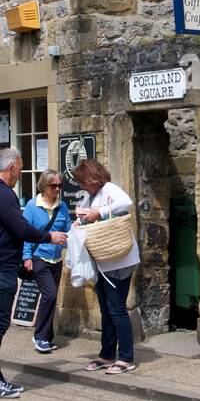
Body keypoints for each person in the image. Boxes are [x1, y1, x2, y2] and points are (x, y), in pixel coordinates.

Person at [0, 147, 67, 398]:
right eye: (20, 169)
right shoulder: (1, 194)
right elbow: (21, 228)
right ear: (11, 168)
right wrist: (49, 236)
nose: (20, 174)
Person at [72, 159, 141, 375]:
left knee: (117, 309)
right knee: (106, 309)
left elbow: (126, 203)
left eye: (83, 181)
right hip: (103, 261)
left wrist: (98, 213)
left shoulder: (109, 189)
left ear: (92, 177)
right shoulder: (89, 196)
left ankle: (126, 357)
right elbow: (88, 217)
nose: (82, 185)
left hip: (119, 260)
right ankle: (107, 354)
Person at [23, 170, 71, 353]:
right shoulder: (31, 206)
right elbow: (26, 233)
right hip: (39, 257)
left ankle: (47, 337)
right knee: (49, 295)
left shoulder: (63, 207)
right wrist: (27, 257)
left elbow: (67, 230)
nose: (57, 189)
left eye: (60, 185)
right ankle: (39, 337)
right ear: (44, 186)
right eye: (53, 186)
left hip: (56, 258)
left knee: (50, 297)